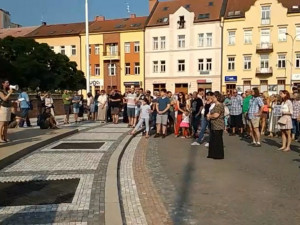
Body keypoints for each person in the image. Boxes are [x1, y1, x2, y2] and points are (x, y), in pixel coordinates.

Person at [207, 91, 225, 159]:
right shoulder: (215, 105)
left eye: (214, 97)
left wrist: (209, 116)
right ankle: (212, 154)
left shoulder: (219, 105)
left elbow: (216, 115)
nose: (212, 98)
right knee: (213, 140)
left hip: (218, 125)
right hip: (213, 125)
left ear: (217, 97)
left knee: (217, 141)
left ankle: (218, 155)